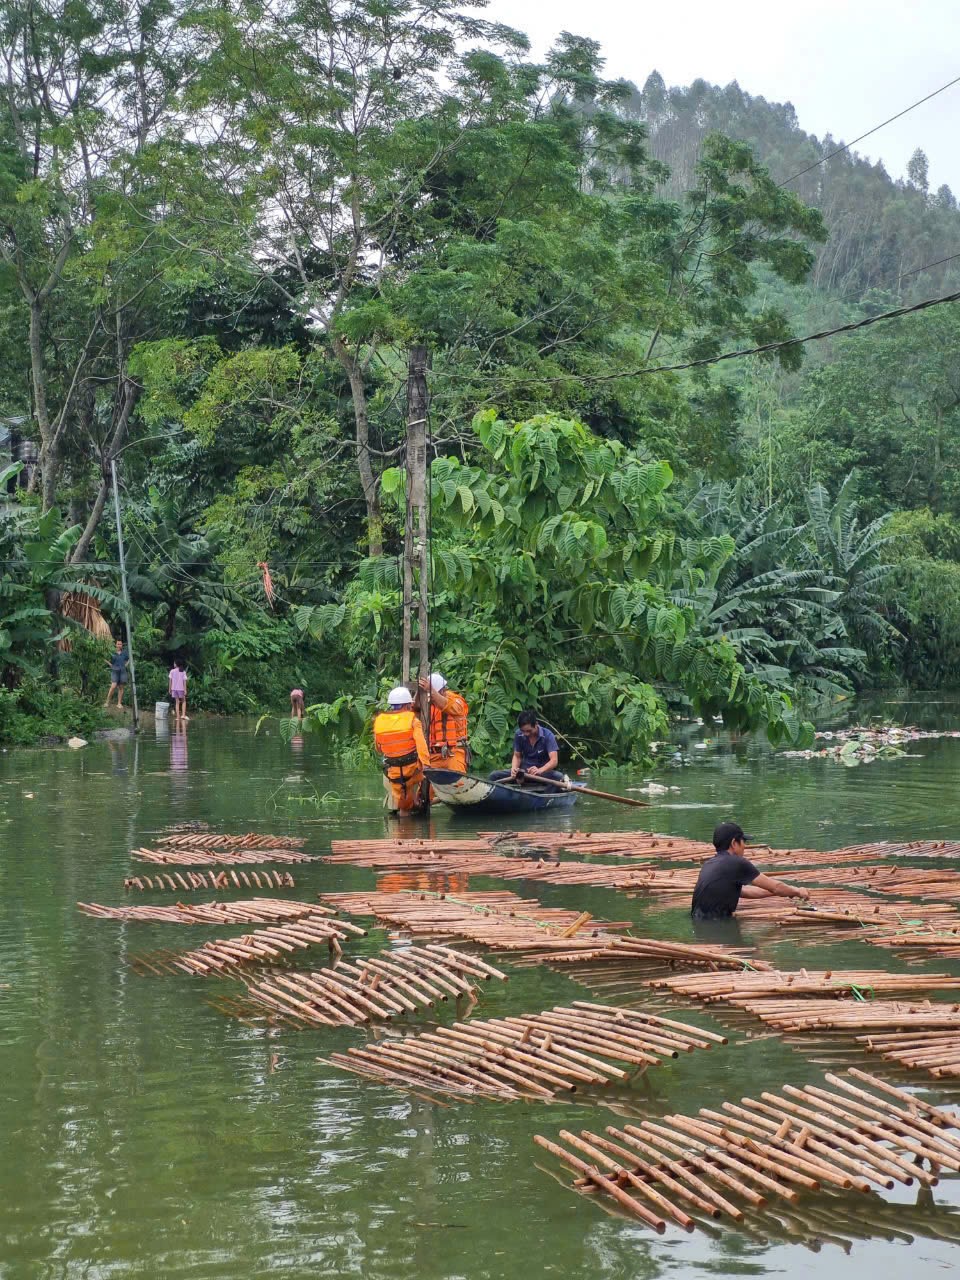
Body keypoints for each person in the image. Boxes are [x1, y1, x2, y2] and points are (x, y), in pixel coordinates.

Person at [691, 821, 810, 920]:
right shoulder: (737, 863)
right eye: (744, 842)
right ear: (734, 843)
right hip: (717, 924)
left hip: (699, 922)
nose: (745, 846)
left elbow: (746, 892)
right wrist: (797, 891)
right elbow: (775, 886)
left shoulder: (709, 864)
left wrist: (784, 892)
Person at [372, 686, 431, 814]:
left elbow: (378, 748)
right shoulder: (413, 721)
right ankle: (417, 803)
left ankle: (409, 806)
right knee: (420, 781)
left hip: (393, 772)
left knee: (403, 806)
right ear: (408, 705)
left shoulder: (379, 721)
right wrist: (426, 764)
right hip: (413, 770)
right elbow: (422, 746)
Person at [490, 709, 562, 784]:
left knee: (558, 777)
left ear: (536, 724)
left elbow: (554, 761)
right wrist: (514, 769)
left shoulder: (548, 735)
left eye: (529, 731)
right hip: (524, 773)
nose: (526, 734)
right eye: (523, 731)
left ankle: (546, 793)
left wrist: (540, 770)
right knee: (494, 776)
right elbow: (517, 756)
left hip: (542, 774)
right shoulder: (518, 734)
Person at [418, 672, 470, 773]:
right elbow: (415, 709)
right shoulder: (427, 704)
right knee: (427, 786)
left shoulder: (456, 701)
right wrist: (420, 692)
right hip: (433, 755)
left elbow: (449, 706)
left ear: (442, 690)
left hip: (454, 753)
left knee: (457, 783)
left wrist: (431, 691)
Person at [105, 639, 129, 709]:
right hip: (115, 671)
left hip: (122, 671)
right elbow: (105, 658)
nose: (119, 645)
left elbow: (129, 658)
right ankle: (107, 702)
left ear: (122, 645)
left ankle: (119, 703)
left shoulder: (124, 653)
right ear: (116, 645)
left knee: (121, 687)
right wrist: (110, 665)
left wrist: (126, 665)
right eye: (118, 644)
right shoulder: (112, 652)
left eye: (120, 644)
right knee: (113, 686)